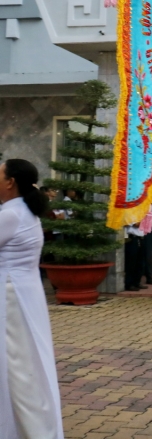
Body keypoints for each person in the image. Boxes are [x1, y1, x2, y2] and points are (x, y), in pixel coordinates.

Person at [0, 159, 64, 438]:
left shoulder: (12, 214)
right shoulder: (24, 211)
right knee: (25, 364)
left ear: (10, 182)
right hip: (24, 293)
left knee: (17, 367)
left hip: (11, 298)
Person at [124, 223, 147, 291]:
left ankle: (137, 282)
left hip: (141, 237)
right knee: (131, 262)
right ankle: (129, 284)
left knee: (140, 262)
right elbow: (135, 224)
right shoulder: (131, 215)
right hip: (132, 237)